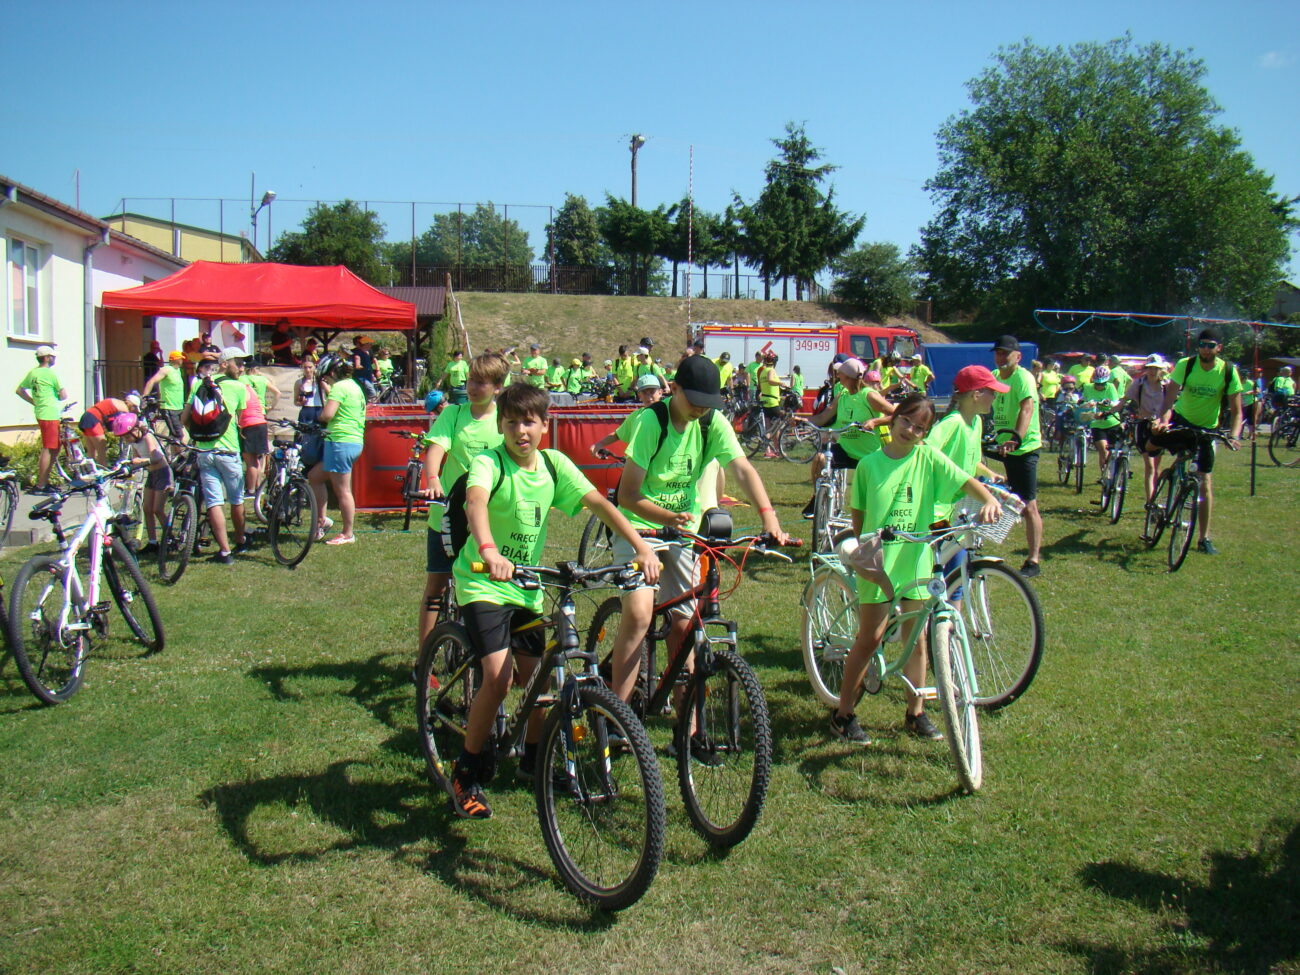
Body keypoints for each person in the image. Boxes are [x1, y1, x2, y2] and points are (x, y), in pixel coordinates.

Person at [446, 383, 661, 819]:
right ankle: (467, 770)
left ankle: (533, 758)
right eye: (511, 422)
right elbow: (476, 502)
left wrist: (640, 546)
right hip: (483, 582)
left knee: (541, 678)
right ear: (501, 426)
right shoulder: (489, 461)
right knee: (499, 677)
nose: (520, 431)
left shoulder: (552, 464)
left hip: (525, 585)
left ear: (546, 425)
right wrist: (488, 551)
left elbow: (598, 502)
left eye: (529, 422)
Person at [606, 355, 790, 710]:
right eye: (694, 402)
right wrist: (665, 516)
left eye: (708, 405)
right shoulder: (650, 422)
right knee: (641, 614)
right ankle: (618, 716)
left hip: (680, 531)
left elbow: (743, 469)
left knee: (685, 624)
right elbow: (627, 496)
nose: (700, 411)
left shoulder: (711, 422)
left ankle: (688, 726)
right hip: (638, 528)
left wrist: (769, 516)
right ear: (673, 389)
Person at [831, 393, 1001, 745]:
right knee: (870, 638)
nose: (911, 431)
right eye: (906, 421)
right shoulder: (869, 465)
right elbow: (859, 515)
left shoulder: (928, 458)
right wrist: (865, 550)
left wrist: (989, 498)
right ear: (893, 419)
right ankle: (843, 713)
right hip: (880, 563)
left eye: (921, 428)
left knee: (917, 639)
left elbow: (965, 478)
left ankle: (916, 712)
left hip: (917, 561)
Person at [416, 351, 510, 654]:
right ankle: (425, 656)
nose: (472, 387)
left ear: (497, 386)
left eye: (481, 382)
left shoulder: (505, 420)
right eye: (471, 380)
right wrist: (432, 480)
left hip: (489, 520)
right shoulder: (453, 414)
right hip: (447, 518)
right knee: (436, 589)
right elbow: (436, 450)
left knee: (492, 591)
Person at [1146, 329, 1242, 555]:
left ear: (1219, 347)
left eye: (1211, 345)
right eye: (1202, 345)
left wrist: (1235, 436)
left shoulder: (1228, 371)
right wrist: (1162, 420)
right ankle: (1163, 482)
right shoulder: (1186, 365)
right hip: (1182, 420)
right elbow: (1169, 400)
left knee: (1204, 483)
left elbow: (1237, 411)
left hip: (1207, 429)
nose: (1205, 349)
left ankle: (1204, 538)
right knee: (1151, 446)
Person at [181, 348, 249, 565]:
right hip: (228, 450)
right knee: (237, 499)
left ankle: (225, 552)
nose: (241, 367)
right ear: (224, 364)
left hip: (204, 450)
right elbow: (239, 419)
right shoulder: (239, 388)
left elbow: (184, 418)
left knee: (214, 501)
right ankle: (240, 540)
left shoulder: (198, 384)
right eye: (237, 362)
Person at [802, 358, 894, 517]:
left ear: (849, 377)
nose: (838, 376)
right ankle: (818, 496)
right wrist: (802, 421)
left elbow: (896, 414)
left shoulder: (869, 396)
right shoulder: (842, 395)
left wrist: (875, 421)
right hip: (845, 449)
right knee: (820, 459)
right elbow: (823, 418)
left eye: (841, 373)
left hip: (868, 453)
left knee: (871, 496)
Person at [990, 335, 1044, 578]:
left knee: (1028, 505)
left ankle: (1033, 560)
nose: (1001, 357)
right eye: (998, 353)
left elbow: (1027, 407)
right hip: (1003, 445)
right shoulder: (994, 375)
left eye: (1005, 353)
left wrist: (1017, 438)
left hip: (1023, 448)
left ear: (1018, 356)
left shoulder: (1023, 377)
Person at [309, 357, 367, 546]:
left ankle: (347, 533)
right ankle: (322, 520)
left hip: (339, 441)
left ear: (332, 373)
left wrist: (318, 417)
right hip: (353, 440)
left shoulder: (339, 388)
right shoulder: (353, 386)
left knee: (343, 491)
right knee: (315, 477)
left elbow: (327, 414)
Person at [15, 345, 67, 494]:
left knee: (55, 448)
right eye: (53, 356)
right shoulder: (51, 374)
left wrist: (34, 401)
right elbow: (63, 395)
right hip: (49, 413)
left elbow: (19, 390)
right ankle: (41, 485)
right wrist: (55, 396)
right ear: (47, 358)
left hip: (42, 412)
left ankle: (44, 481)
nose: (54, 358)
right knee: (49, 448)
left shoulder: (33, 373)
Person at [1120, 354, 1169, 504]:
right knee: (1149, 465)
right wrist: (1109, 411)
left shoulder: (1167, 385)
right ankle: (1150, 502)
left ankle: (1156, 497)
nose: (1153, 371)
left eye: (1156, 368)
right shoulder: (1139, 384)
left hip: (1159, 426)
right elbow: (1124, 400)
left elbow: (1173, 405)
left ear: (1161, 369)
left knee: (1157, 465)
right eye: (1150, 368)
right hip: (1143, 424)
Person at [119, 416, 171, 554]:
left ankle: (170, 537)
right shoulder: (134, 442)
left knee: (157, 509)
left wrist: (141, 460)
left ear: (135, 430)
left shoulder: (147, 436)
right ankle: (153, 542)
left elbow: (156, 457)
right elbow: (136, 460)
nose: (126, 440)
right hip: (152, 475)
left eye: (126, 436)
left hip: (162, 473)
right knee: (147, 508)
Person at [590, 374, 665, 458]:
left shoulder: (669, 413)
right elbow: (618, 434)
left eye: (652, 392)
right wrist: (599, 444)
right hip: (639, 465)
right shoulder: (636, 415)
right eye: (644, 392)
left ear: (660, 392)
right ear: (639, 395)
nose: (648, 396)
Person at [239, 358, 280, 498]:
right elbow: (277, 393)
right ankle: (258, 487)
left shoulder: (242, 379)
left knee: (249, 458)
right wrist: (270, 407)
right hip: (261, 414)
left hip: (248, 416)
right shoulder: (262, 380)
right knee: (260, 457)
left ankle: (251, 489)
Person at [1080, 365, 1123, 480]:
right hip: (1096, 424)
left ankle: (1117, 475)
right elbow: (1082, 402)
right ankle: (1105, 476)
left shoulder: (1110, 387)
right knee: (1103, 450)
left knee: (1115, 452)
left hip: (1112, 422)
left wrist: (1106, 404)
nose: (1099, 386)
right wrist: (1087, 405)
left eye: (1102, 384)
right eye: (1097, 384)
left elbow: (1115, 403)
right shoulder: (1088, 387)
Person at [78, 393, 141, 466]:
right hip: (93, 419)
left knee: (92, 453)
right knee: (102, 450)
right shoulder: (124, 409)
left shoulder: (116, 402)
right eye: (134, 407)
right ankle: (103, 471)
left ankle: (90, 472)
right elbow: (113, 426)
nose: (134, 410)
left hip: (86, 417)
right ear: (129, 403)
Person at [141, 350, 188, 440]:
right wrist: (144, 396)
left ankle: (173, 453)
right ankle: (179, 453)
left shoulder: (178, 371)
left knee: (174, 436)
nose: (182, 361)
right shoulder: (166, 370)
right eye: (181, 359)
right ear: (176, 359)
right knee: (178, 435)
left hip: (178, 407)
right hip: (169, 408)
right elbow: (152, 381)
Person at [756, 351, 786, 458]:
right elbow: (770, 381)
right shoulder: (771, 370)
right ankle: (778, 450)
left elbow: (761, 385)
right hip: (772, 401)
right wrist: (781, 383)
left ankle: (768, 450)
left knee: (768, 427)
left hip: (765, 400)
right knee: (778, 426)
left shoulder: (763, 371)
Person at [294, 356, 328, 425]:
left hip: (319, 409)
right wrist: (300, 402)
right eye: (305, 367)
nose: (308, 370)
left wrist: (323, 384)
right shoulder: (299, 382)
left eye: (310, 367)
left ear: (314, 366)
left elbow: (330, 393)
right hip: (306, 410)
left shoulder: (320, 380)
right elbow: (295, 401)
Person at [351, 335, 377, 401]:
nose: (370, 345)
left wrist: (372, 374)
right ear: (364, 344)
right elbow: (357, 365)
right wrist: (360, 366)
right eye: (369, 344)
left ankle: (367, 404)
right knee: (372, 393)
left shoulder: (367, 353)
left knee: (367, 393)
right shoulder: (358, 353)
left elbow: (371, 364)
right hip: (362, 377)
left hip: (368, 376)